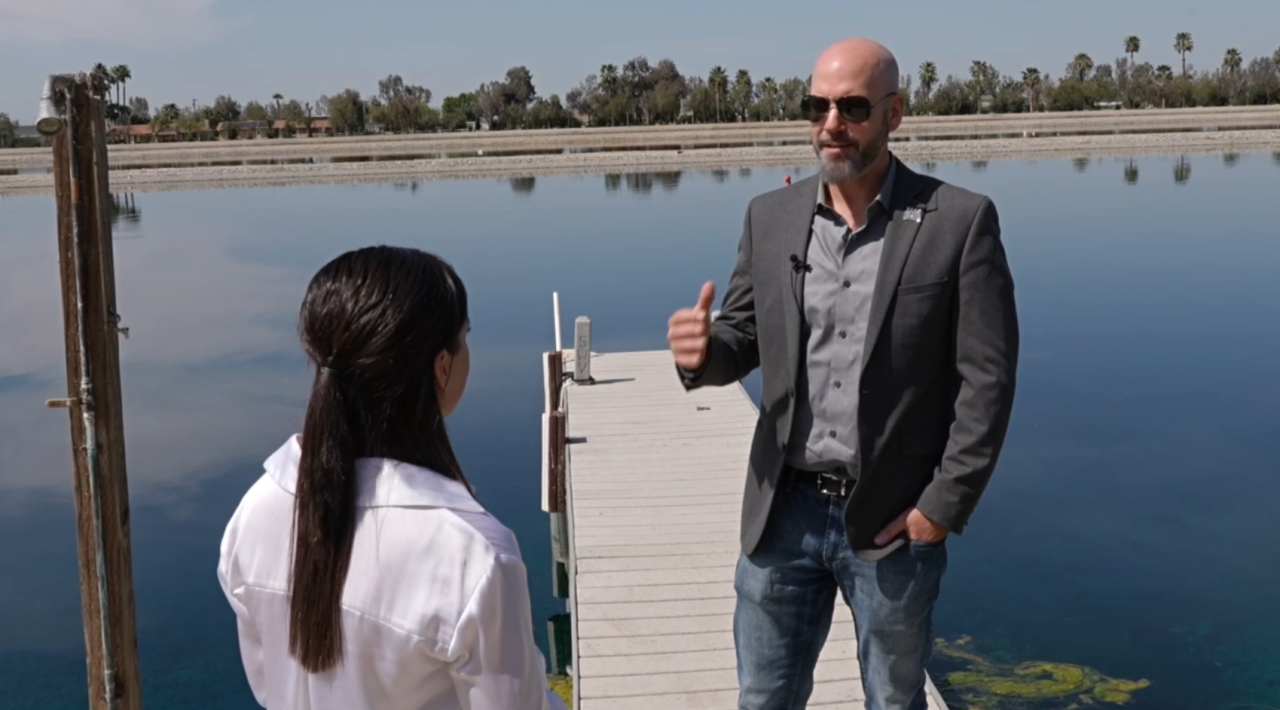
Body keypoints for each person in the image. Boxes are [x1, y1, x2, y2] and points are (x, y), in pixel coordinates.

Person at [666, 38, 1019, 710]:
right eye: (817, 106)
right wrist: (702, 354)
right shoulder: (769, 218)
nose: (832, 123)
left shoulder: (961, 222)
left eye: (852, 106)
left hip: (892, 518)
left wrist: (942, 507)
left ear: (894, 114)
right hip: (784, 511)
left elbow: (988, 381)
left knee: (893, 699)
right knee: (763, 698)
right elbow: (742, 336)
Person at [217, 246, 566, 710]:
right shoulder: (474, 555)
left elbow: (270, 686)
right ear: (442, 367)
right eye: (464, 335)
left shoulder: (255, 511)